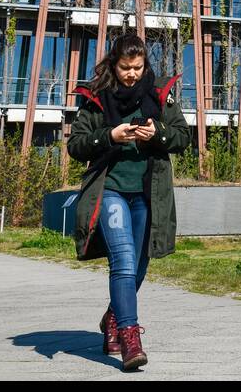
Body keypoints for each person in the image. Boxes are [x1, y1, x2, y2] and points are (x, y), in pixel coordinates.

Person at [68, 33, 187, 372]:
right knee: (122, 260)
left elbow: (183, 137)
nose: (132, 74)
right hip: (111, 191)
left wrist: (158, 134)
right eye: (125, 68)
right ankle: (130, 338)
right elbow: (75, 146)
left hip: (148, 194)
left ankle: (112, 318)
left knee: (138, 266)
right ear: (114, 65)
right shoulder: (97, 98)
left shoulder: (159, 95)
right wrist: (109, 136)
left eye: (137, 67)